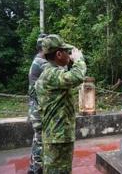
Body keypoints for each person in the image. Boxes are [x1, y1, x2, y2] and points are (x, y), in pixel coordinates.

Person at [35, 34, 86, 173]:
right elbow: (77, 76)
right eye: (66, 52)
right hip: (58, 138)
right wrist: (79, 59)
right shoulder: (52, 74)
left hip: (57, 136)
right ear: (58, 54)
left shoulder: (51, 73)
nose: (69, 55)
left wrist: (69, 62)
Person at [27, 33, 48, 174]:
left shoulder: (37, 60)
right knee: (40, 145)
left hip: (35, 110)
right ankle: (37, 171)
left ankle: (31, 169)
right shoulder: (41, 63)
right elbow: (62, 74)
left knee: (37, 142)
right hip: (39, 112)